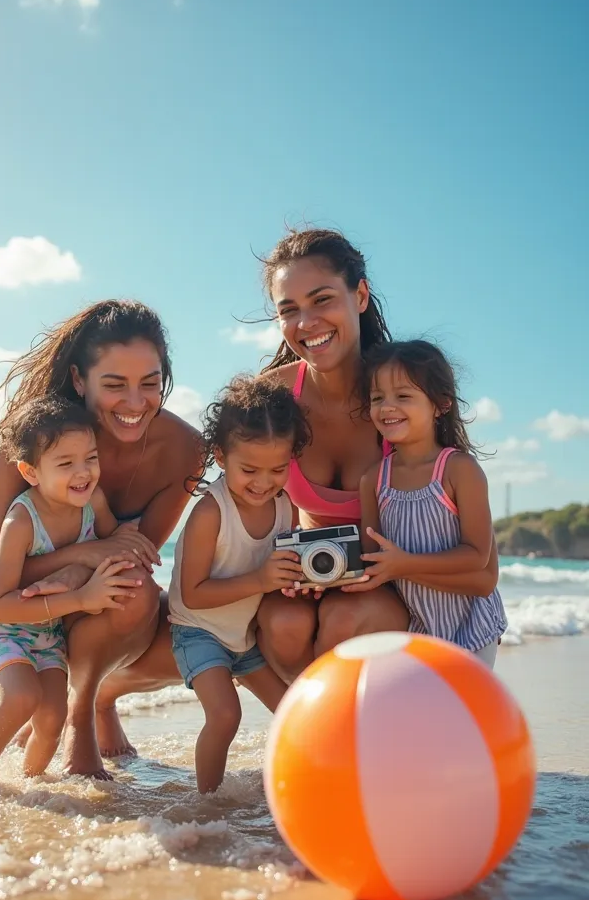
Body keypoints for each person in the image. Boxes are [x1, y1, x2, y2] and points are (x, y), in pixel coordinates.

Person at [0, 300, 202, 778]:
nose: (135, 403)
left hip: (96, 603)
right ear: (79, 380)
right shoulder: (30, 442)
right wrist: (82, 555)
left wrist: (85, 568)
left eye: (151, 384)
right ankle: (78, 717)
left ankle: (94, 699)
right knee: (120, 581)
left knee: (201, 637)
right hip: (27, 612)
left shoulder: (186, 449)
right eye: (114, 385)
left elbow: (138, 555)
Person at [254, 227, 501, 677]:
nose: (306, 322)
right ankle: (311, 735)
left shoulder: (401, 395)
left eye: (322, 299)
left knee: (345, 620)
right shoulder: (269, 400)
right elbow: (234, 490)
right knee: (283, 623)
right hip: (314, 577)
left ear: (360, 295)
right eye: (289, 310)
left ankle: (349, 733)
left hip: (396, 588)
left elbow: (478, 555)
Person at [0, 397, 136, 789]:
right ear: (31, 472)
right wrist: (80, 599)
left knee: (53, 716)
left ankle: (33, 785)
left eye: (90, 458)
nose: (83, 472)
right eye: (65, 463)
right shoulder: (21, 521)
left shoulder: (94, 502)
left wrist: (130, 543)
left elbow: (110, 538)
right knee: (20, 699)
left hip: (46, 630)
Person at [168, 375, 307, 792]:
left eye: (278, 469)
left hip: (244, 639)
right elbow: (193, 593)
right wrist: (262, 579)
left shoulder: (287, 508)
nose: (263, 482)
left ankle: (294, 789)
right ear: (220, 456)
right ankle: (206, 803)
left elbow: (285, 570)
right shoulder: (212, 512)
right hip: (198, 630)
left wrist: (295, 581)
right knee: (226, 715)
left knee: (293, 712)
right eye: (249, 469)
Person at [358, 340, 507, 667]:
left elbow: (477, 557)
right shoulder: (373, 480)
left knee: (463, 716)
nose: (387, 407)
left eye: (404, 396)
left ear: (440, 404)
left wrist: (404, 566)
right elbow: (374, 564)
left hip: (472, 628)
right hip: (415, 627)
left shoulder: (459, 470)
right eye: (377, 397)